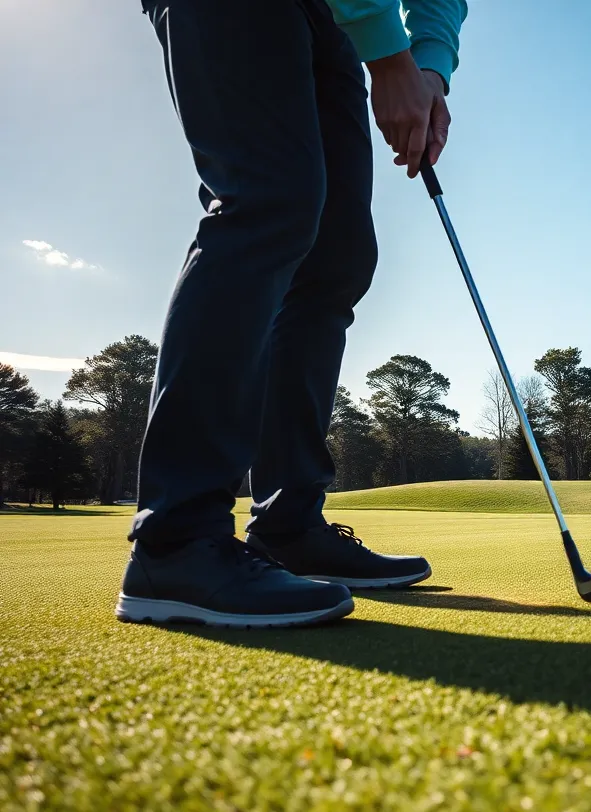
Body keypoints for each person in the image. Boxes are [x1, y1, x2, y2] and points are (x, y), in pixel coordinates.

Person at [116, 0, 467, 628]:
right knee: (266, 203)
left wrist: (428, 68)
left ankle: (288, 524)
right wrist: (388, 56)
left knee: (336, 260)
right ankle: (176, 541)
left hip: (330, 19)